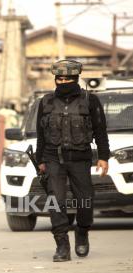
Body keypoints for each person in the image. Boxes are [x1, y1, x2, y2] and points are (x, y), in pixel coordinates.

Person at [36, 59, 110, 262]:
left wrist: (103, 156)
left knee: (85, 200)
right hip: (53, 158)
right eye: (59, 78)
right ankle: (62, 245)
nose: (63, 82)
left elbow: (100, 130)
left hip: (80, 158)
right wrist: (40, 159)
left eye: (68, 78)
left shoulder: (90, 100)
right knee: (56, 201)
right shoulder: (46, 102)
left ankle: (82, 231)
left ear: (76, 78)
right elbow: (41, 134)